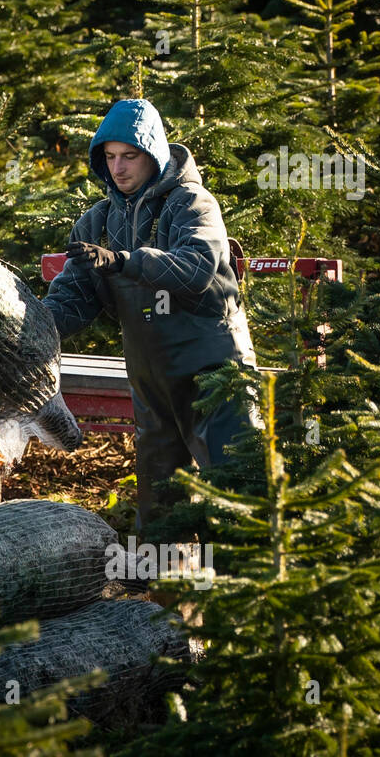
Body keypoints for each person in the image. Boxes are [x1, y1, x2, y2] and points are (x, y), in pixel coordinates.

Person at [42, 98, 258, 533]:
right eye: (109, 157)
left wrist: (124, 260)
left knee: (239, 489)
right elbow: (72, 299)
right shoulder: (96, 222)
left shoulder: (192, 204)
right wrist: (29, 324)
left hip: (214, 371)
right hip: (151, 378)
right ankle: (159, 592)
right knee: (160, 498)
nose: (118, 168)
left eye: (130, 156)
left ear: (154, 155)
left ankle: (246, 593)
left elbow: (197, 268)